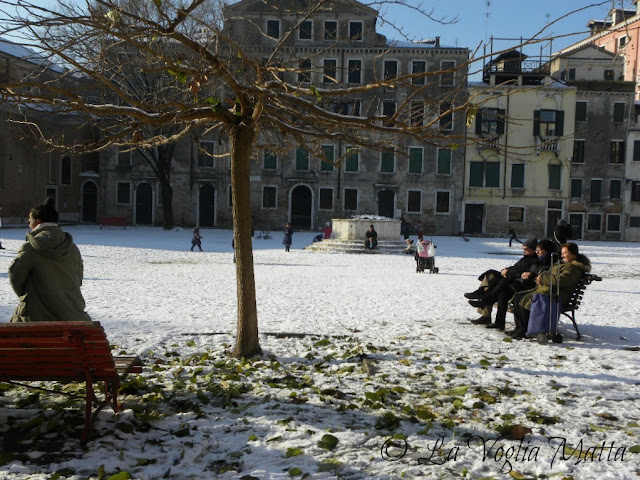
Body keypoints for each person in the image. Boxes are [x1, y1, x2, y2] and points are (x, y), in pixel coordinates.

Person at [8, 197, 91, 323]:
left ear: (38, 221)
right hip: (71, 314)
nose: (29, 223)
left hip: (34, 317)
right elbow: (78, 278)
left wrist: (29, 295)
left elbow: (15, 275)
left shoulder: (30, 248)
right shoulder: (72, 248)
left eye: (30, 220)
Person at [467, 238, 556, 331]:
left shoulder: (537, 260)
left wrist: (510, 272)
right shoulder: (532, 259)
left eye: (526, 249)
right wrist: (506, 270)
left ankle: (484, 300)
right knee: (493, 278)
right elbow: (517, 268)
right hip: (519, 281)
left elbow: (523, 271)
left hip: (524, 285)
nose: (524, 251)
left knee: (501, 283)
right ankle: (490, 309)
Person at [509, 242, 591, 340]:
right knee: (518, 297)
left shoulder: (573, 269)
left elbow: (559, 280)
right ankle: (519, 328)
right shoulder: (563, 265)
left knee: (525, 299)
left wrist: (542, 278)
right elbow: (550, 274)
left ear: (573, 254)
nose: (562, 255)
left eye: (565, 253)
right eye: (562, 253)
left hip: (554, 296)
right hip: (546, 292)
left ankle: (524, 329)